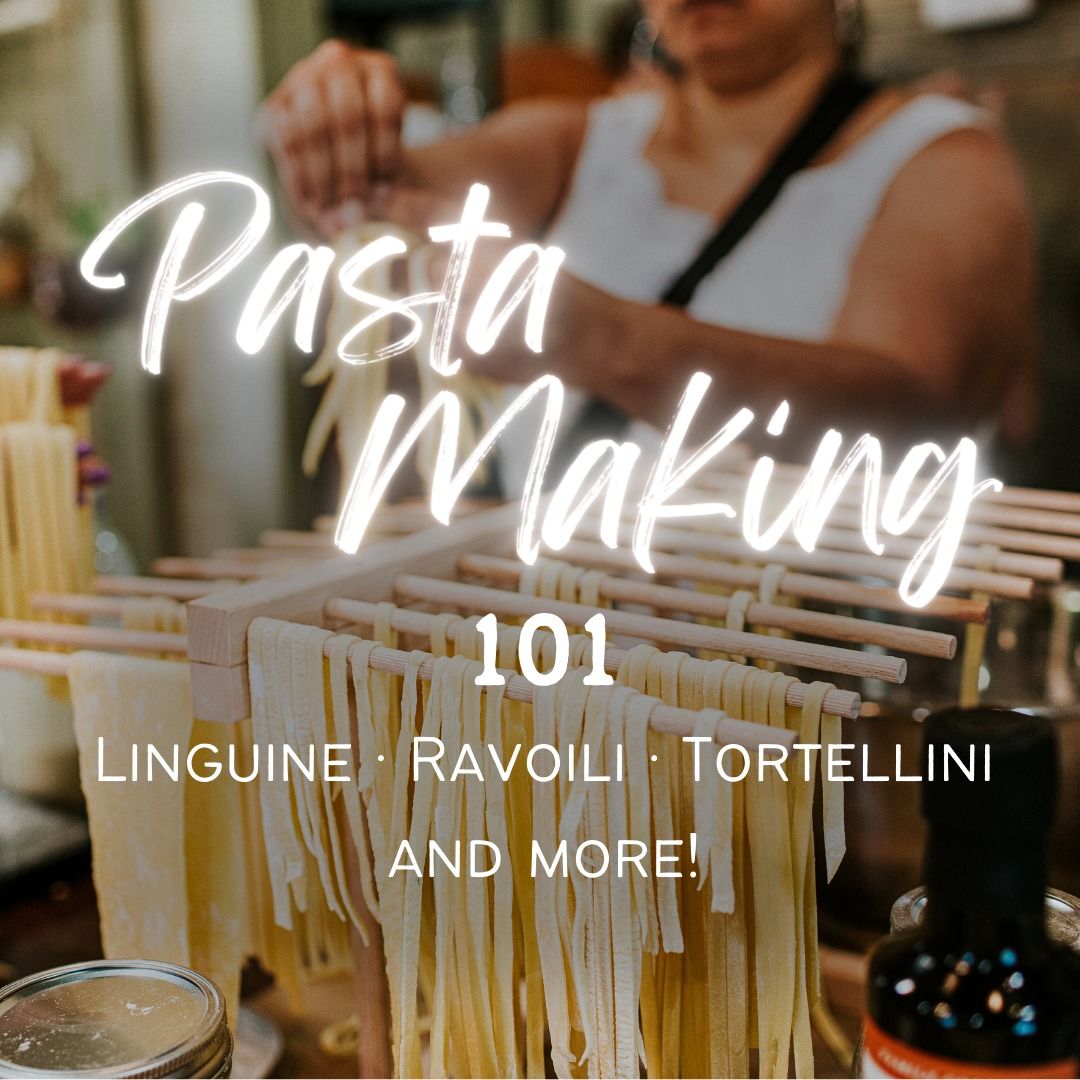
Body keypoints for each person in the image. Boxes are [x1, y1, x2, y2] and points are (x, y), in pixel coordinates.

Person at [260, 0, 1036, 469]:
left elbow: (912, 407)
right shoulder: (575, 142)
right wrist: (333, 123)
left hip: (828, 682)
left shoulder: (943, 155)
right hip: (574, 663)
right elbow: (382, 195)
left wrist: (600, 338)